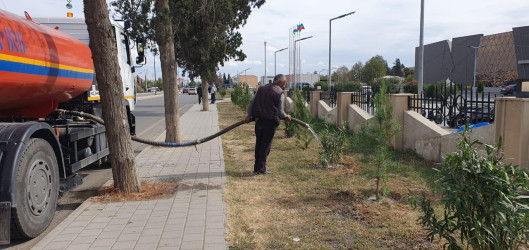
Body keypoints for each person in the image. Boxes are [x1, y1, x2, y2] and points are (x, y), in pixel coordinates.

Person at [244, 74, 292, 175]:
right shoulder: (279, 92)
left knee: (259, 144)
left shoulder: (261, 88)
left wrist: (249, 115)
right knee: (265, 146)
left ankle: (256, 168)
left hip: (259, 120)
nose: (284, 85)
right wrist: (286, 116)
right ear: (279, 82)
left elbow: (252, 101)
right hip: (270, 122)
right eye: (284, 83)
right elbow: (280, 111)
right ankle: (261, 169)